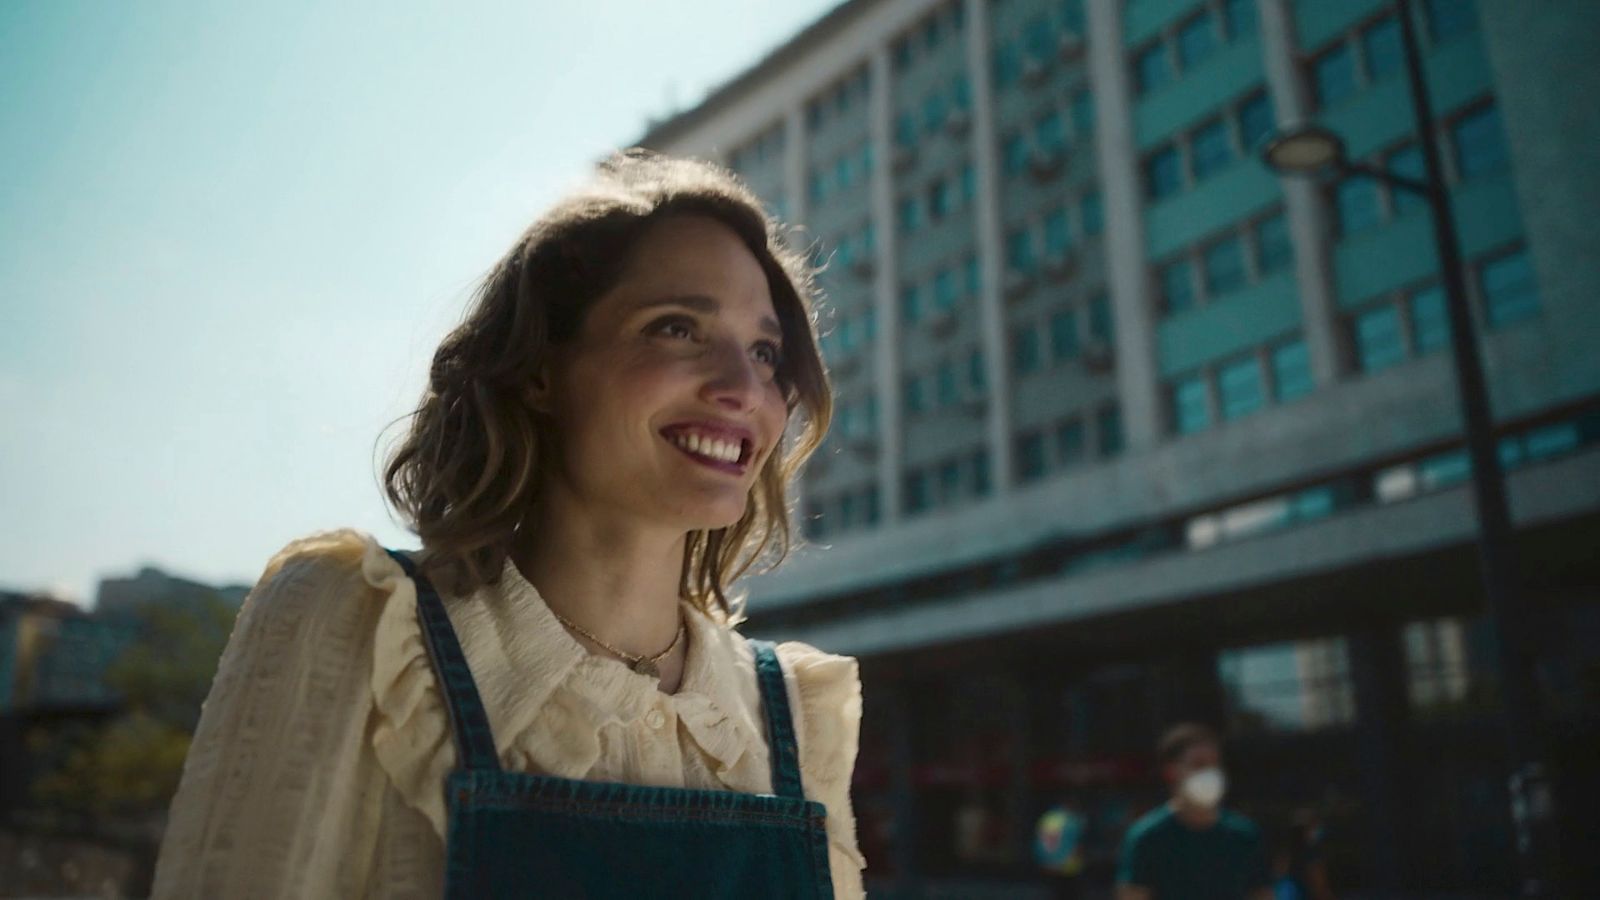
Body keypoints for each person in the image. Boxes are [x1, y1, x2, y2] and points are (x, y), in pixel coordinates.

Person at [150, 151, 866, 898]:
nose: (742, 387)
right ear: (540, 370)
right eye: (677, 328)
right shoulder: (362, 628)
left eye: (765, 351)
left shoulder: (794, 715)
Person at [1116, 723, 1272, 900]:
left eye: (1215, 764)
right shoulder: (1147, 838)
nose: (1210, 772)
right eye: (1199, 764)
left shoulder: (1244, 835)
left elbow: (1261, 894)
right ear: (1171, 772)